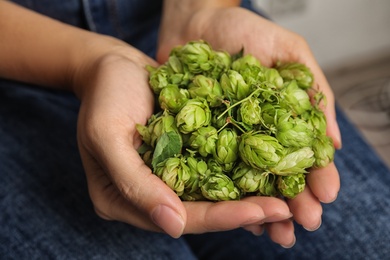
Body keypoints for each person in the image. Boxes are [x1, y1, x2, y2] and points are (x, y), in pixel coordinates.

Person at [0, 0, 389, 259]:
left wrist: (201, 10)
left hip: (174, 22)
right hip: (18, 64)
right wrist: (90, 63)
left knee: (371, 244)